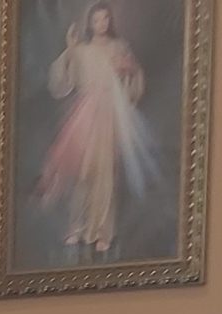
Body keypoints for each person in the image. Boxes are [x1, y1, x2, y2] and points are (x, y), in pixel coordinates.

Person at [35, 1, 159, 259]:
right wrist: (70, 50)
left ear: (109, 21)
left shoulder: (119, 47)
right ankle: (77, 226)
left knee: (106, 171)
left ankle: (102, 231)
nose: (101, 24)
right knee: (83, 170)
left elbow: (134, 80)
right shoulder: (83, 50)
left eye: (105, 19)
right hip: (86, 113)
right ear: (90, 23)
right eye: (96, 20)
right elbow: (63, 81)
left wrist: (129, 70)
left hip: (110, 114)